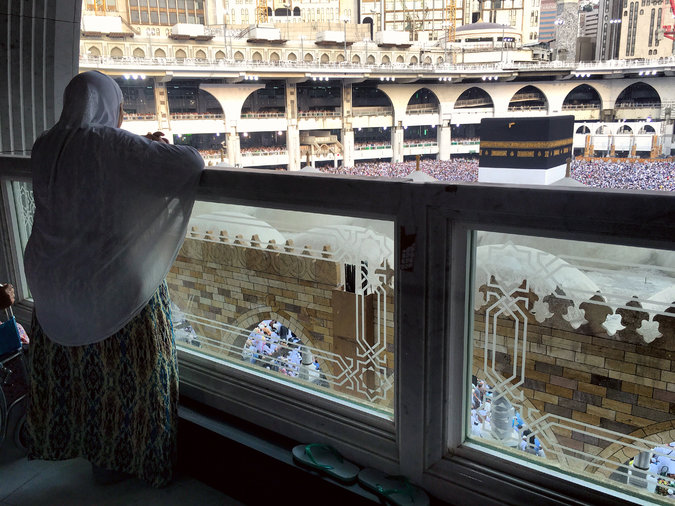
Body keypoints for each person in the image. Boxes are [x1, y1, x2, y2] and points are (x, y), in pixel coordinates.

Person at [23, 71, 204, 487]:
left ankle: (96, 460)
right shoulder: (113, 145)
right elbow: (189, 162)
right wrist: (153, 145)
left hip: (54, 285)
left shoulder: (44, 146)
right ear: (112, 108)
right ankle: (137, 459)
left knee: (85, 380)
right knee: (134, 381)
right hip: (113, 288)